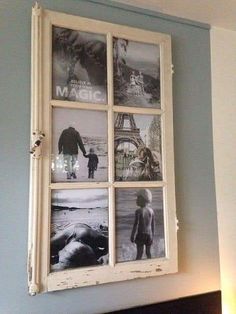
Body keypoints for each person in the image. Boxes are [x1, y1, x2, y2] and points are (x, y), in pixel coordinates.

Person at [130, 189, 155, 260]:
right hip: (149, 235)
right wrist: (152, 236)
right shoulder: (151, 211)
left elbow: (136, 225)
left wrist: (132, 235)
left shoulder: (138, 211)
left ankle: (137, 267)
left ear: (143, 199)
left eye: (138, 198)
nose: (136, 200)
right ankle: (151, 265)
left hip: (141, 235)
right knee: (148, 253)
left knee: (139, 254)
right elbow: (153, 225)